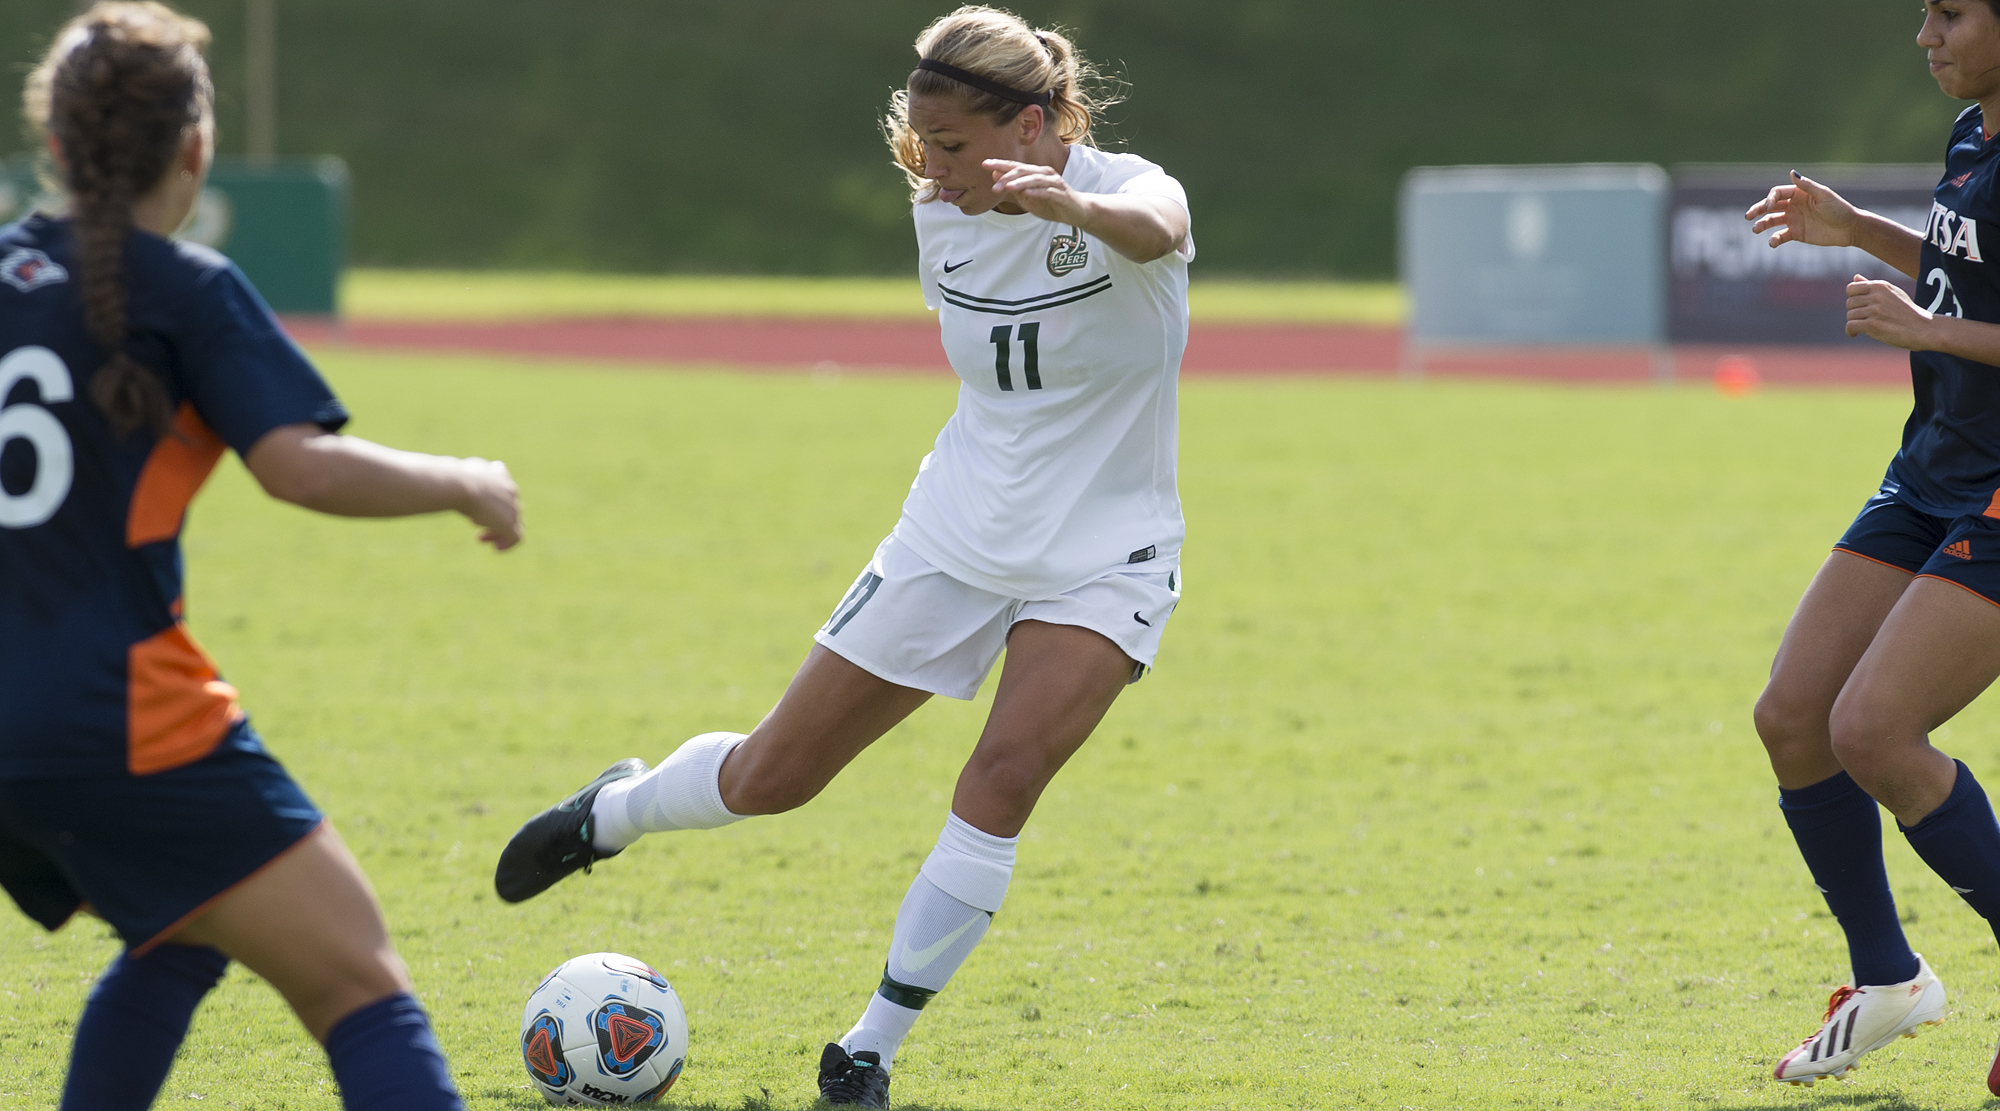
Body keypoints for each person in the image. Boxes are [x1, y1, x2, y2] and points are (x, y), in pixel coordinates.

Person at [495, 5, 1192, 1106]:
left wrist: (1076, 206)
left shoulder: (1128, 189)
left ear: (1031, 123)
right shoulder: (940, 213)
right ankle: (612, 813)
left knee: (1000, 781)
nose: (931, 168)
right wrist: (969, 181)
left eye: (952, 146)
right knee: (770, 779)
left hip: (1106, 558)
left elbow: (1156, 227)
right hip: (952, 537)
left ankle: (866, 1049)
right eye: (921, 143)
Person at [0, 4, 523, 1109]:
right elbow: (301, 467)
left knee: (183, 929)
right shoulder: (187, 289)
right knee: (358, 981)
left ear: (52, 144)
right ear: (195, 149)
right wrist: (465, 481)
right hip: (116, 717)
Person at [1747, 0, 2000, 1093]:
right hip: (1934, 464)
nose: (1925, 35)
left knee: (1873, 730)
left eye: (1950, 13)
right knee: (1794, 717)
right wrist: (1857, 228)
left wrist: (1925, 329)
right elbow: (1966, 269)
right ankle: (1887, 978)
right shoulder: (1973, 130)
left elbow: (1950, 313)